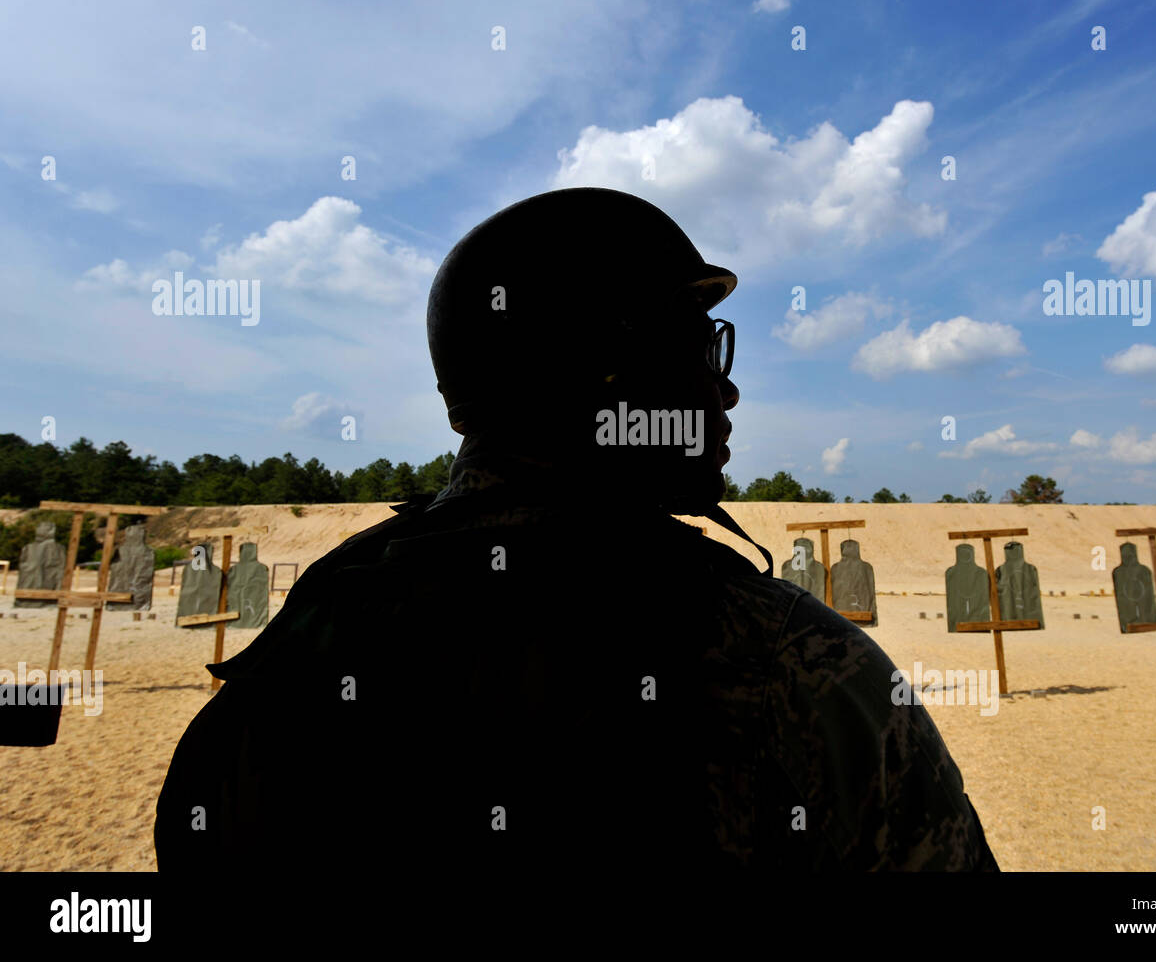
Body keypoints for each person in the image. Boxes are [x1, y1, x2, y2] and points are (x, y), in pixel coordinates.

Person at [155, 187, 997, 877]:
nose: (725, 394)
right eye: (700, 352)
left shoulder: (312, 631)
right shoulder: (787, 661)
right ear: (612, 371)